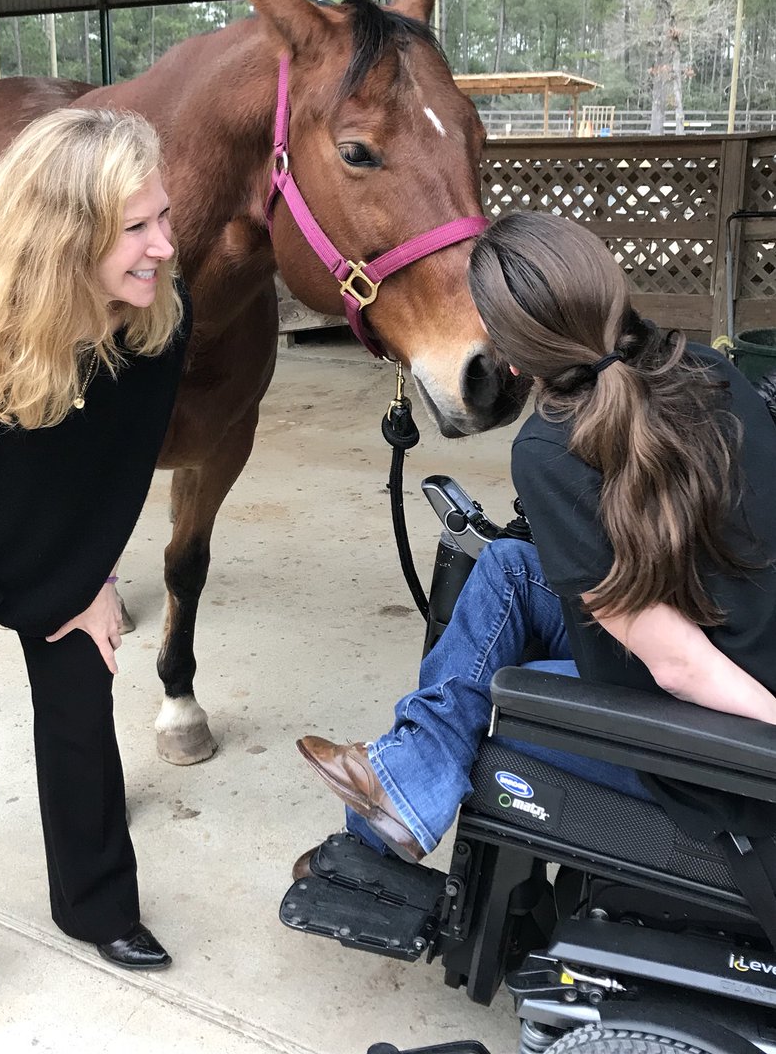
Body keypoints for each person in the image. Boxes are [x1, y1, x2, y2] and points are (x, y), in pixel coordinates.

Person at [296, 211, 776, 867]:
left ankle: (396, 808)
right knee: (507, 568)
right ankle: (401, 788)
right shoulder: (704, 367)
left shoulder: (551, 447)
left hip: (718, 735)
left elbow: (681, 666)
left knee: (490, 701)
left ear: (512, 353)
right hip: (745, 638)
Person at [0, 108, 191, 1050]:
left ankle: (96, 905)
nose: (164, 246)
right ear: (65, 237)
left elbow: (118, 476)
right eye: (137, 229)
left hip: (43, 548)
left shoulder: (159, 330)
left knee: (81, 692)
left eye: (162, 218)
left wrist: (89, 582)